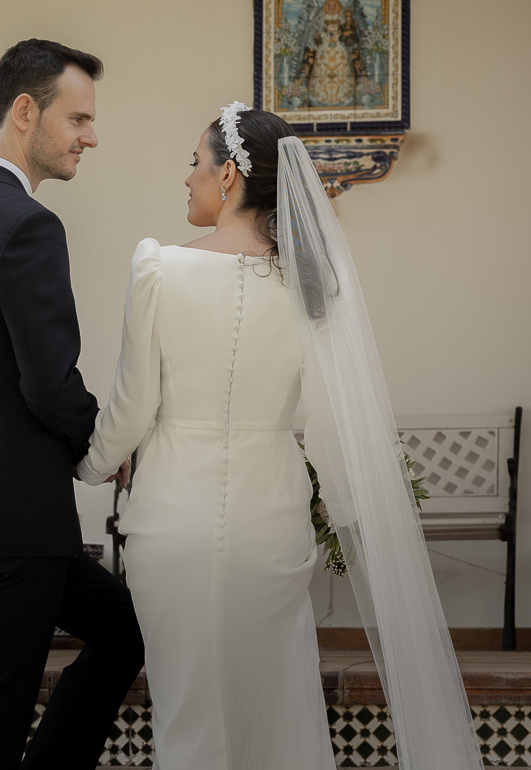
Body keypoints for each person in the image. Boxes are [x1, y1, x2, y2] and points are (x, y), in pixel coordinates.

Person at [76, 102, 482, 770]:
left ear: (229, 173)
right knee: (280, 701)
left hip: (174, 518)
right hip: (274, 519)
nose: (187, 178)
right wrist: (346, 511)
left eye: (195, 163)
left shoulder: (159, 268)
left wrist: (92, 463)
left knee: (189, 706)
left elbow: (131, 408)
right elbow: (330, 426)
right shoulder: (312, 283)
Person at [0, 38, 145, 770]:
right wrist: (104, 449)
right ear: (24, 110)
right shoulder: (27, 225)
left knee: (125, 633)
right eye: (78, 119)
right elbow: (48, 381)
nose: (90, 137)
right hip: (16, 517)